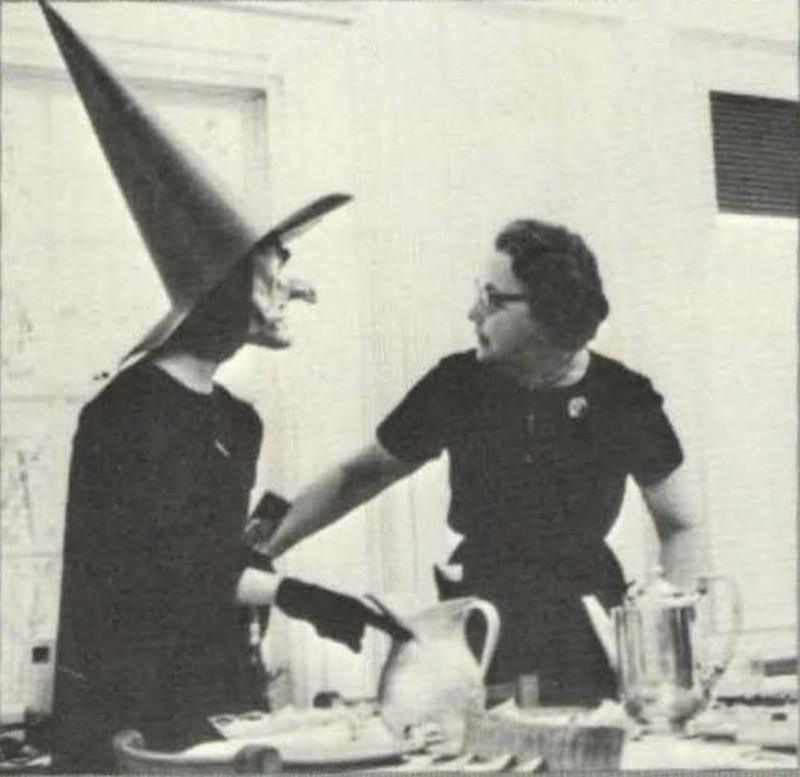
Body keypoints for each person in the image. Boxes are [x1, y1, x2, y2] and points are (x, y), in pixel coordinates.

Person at [41, 4, 406, 771]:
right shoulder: (127, 414)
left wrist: (264, 560)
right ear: (221, 289)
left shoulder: (237, 420)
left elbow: (212, 557)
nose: (295, 290)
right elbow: (174, 574)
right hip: (133, 725)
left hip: (218, 703)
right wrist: (303, 596)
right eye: (272, 273)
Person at [259, 218, 704, 707]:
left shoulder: (622, 396)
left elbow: (681, 526)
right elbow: (358, 477)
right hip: (480, 624)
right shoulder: (458, 384)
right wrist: (259, 552)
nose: (473, 313)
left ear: (548, 312)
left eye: (491, 299)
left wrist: (666, 649)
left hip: (584, 631)